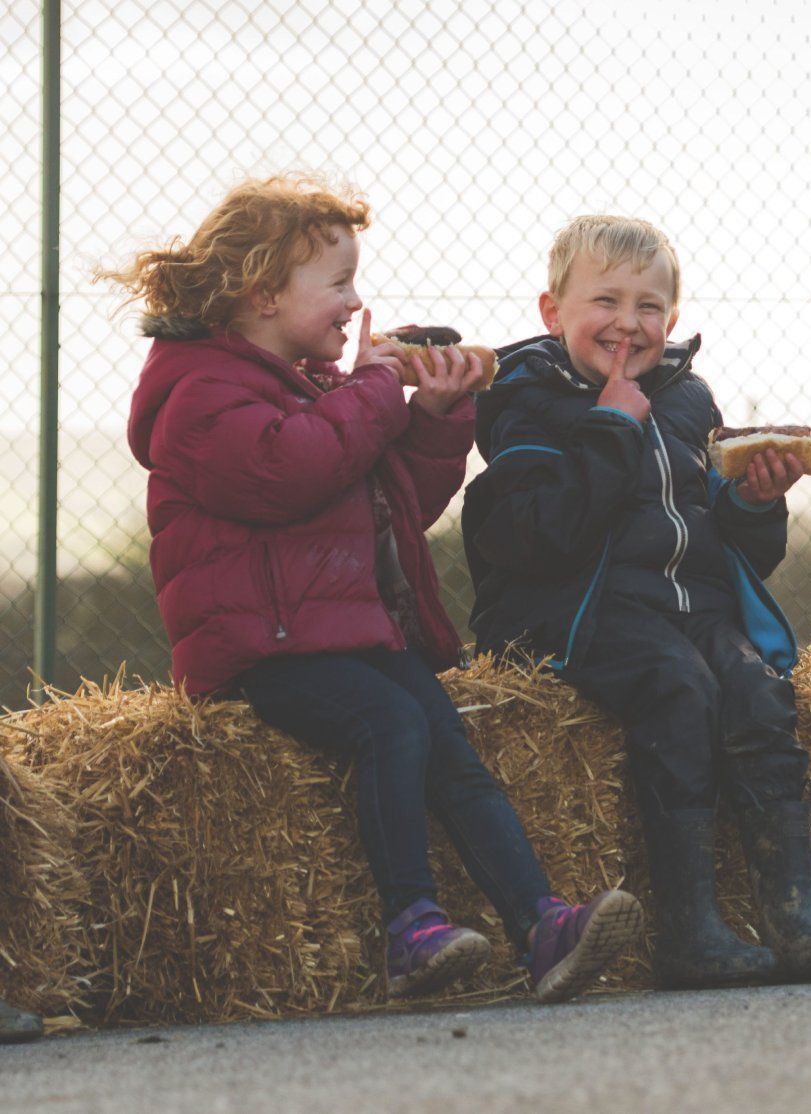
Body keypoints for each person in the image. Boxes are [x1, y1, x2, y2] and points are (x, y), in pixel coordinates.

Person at [110, 175, 639, 1004]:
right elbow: (290, 472)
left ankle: (541, 924)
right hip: (264, 646)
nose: (357, 305)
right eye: (340, 284)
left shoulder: (314, 391)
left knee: (446, 742)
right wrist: (371, 387)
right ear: (262, 294)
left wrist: (432, 416)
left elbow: (401, 508)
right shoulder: (201, 396)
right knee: (390, 722)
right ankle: (410, 928)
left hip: (345, 635)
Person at [463, 215, 811, 986]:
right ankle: (690, 932)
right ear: (553, 314)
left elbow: (743, 551)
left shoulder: (688, 399)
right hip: (584, 609)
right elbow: (544, 535)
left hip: (692, 608)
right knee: (678, 690)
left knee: (755, 689)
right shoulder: (525, 399)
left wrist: (754, 501)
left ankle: (792, 915)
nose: (627, 323)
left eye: (648, 307)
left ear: (671, 321)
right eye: (604, 301)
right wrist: (611, 424)